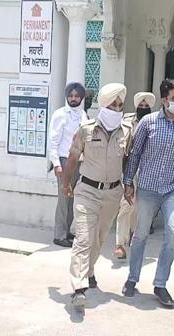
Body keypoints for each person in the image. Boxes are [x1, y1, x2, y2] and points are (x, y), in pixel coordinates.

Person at [121, 79, 174, 307]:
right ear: (164, 100)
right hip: (147, 188)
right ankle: (132, 278)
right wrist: (128, 182)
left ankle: (160, 284)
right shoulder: (148, 123)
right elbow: (134, 153)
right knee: (141, 234)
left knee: (172, 234)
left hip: (172, 190)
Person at [62, 83, 133, 308]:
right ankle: (79, 288)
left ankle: (89, 270)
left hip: (113, 194)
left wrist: (128, 186)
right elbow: (73, 157)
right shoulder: (86, 129)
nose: (117, 109)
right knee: (83, 239)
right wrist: (66, 184)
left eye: (120, 105)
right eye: (113, 105)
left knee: (99, 238)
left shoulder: (126, 131)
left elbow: (126, 161)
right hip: (87, 192)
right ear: (103, 105)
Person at [114, 92, 155, 259]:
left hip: (148, 169)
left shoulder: (156, 122)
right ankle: (120, 244)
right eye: (141, 106)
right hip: (131, 168)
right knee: (126, 205)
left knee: (139, 208)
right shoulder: (127, 122)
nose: (143, 108)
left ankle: (132, 233)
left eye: (146, 106)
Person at [48, 82, 88, 248]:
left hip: (78, 161)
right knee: (64, 198)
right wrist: (56, 164)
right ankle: (59, 235)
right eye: (71, 96)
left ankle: (67, 231)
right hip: (64, 161)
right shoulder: (60, 114)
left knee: (72, 198)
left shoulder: (83, 114)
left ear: (81, 98)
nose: (73, 98)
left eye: (76, 96)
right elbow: (53, 141)